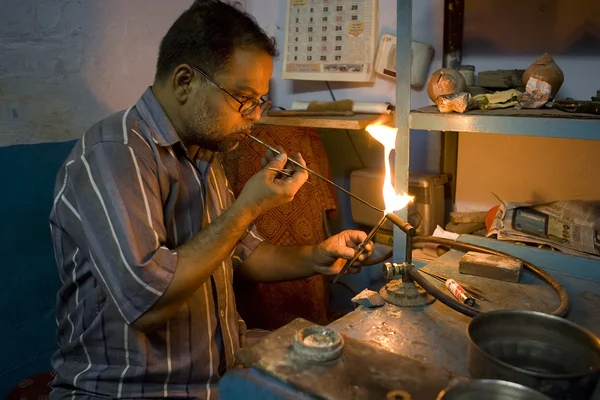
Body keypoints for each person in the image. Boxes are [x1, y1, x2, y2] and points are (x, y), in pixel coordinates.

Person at [48, 1, 373, 399]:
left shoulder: (204, 153)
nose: (254, 117)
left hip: (212, 379)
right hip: (131, 390)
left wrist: (316, 256)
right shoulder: (114, 154)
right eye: (243, 98)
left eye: (260, 102)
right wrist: (248, 206)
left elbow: (244, 254)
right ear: (185, 81)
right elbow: (148, 305)